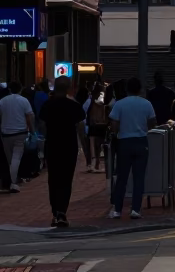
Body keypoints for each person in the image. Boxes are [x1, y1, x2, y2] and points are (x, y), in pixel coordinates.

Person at [38, 78, 86, 227]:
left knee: (53, 179)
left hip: (52, 145)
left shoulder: (47, 105)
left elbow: (42, 126)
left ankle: (55, 212)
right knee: (66, 179)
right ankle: (62, 212)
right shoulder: (74, 106)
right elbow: (80, 128)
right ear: (68, 89)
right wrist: (85, 148)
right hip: (69, 145)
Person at [107, 77, 156, 219]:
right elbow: (153, 123)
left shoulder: (119, 104)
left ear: (127, 89)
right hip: (141, 142)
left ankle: (117, 210)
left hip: (124, 143)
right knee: (139, 177)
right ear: (140, 89)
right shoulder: (147, 104)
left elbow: (114, 126)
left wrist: (114, 134)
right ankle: (136, 209)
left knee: (122, 177)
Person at [0, 80, 34, 193]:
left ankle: (12, 180)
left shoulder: (2, 101)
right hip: (20, 132)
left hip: (5, 133)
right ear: (20, 89)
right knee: (16, 157)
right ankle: (13, 182)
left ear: (9, 89)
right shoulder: (24, 101)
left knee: (10, 158)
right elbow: (29, 116)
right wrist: (32, 130)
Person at [83, 82, 107, 172]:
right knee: (96, 145)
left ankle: (94, 164)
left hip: (94, 126)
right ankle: (94, 163)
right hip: (98, 126)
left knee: (93, 145)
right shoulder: (100, 101)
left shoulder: (90, 101)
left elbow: (84, 111)